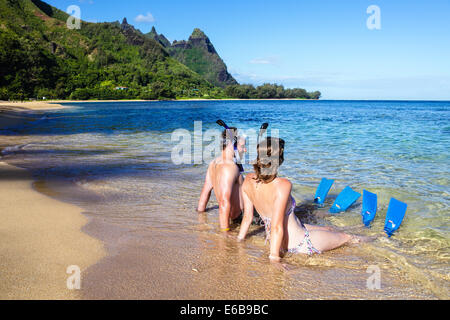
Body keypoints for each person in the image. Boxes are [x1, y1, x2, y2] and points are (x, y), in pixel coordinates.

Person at [237, 137, 360, 262]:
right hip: (300, 243)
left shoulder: (248, 180)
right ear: (279, 160)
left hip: (276, 240)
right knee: (349, 237)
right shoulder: (283, 185)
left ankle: (339, 231)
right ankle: (377, 237)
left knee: (329, 229)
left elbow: (247, 217)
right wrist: (274, 257)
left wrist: (239, 240)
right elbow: (277, 226)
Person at [197, 127, 247, 232]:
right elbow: (224, 202)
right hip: (240, 217)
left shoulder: (213, 163)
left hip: (236, 215)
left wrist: (200, 215)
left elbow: (205, 192)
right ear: (231, 145)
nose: (245, 150)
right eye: (242, 146)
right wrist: (225, 232)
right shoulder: (230, 168)